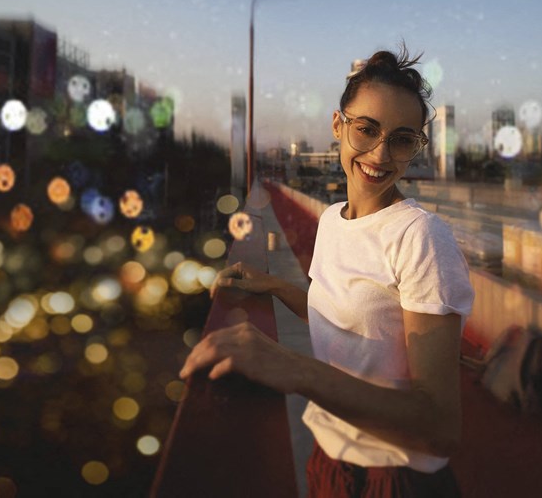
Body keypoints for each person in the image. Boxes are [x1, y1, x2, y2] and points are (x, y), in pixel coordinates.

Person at [179, 45, 475, 497]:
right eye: (366, 129)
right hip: (331, 460)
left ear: (417, 146)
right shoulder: (334, 220)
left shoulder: (421, 237)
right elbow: (340, 316)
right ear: (338, 126)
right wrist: (276, 286)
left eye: (400, 139)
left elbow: (439, 426)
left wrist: (294, 369)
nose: (379, 154)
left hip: (395, 477)